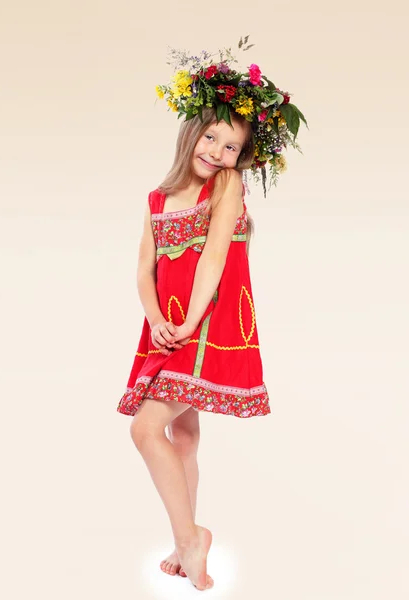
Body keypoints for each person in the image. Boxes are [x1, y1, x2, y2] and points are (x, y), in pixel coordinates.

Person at [117, 41, 307, 591]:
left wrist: (191, 320)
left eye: (232, 146)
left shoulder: (226, 184)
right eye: (212, 137)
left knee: (145, 427)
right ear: (192, 132)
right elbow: (144, 271)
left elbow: (216, 258)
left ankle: (189, 537)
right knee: (183, 434)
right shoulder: (157, 198)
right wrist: (155, 320)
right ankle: (185, 546)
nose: (219, 151)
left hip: (209, 322)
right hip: (169, 327)